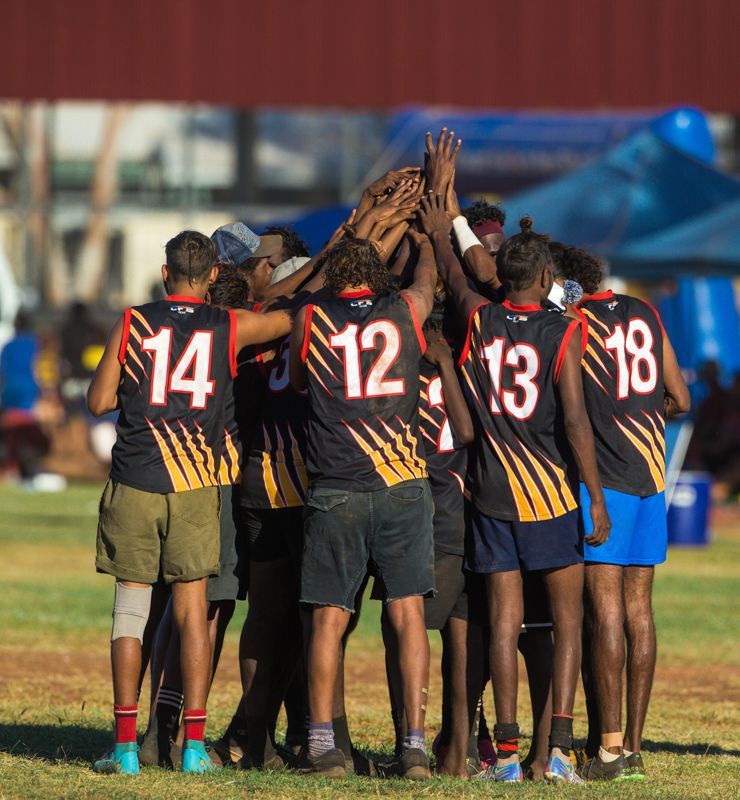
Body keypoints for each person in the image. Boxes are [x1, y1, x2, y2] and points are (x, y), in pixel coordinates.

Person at [87, 230, 294, 776]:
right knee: (191, 614)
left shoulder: (133, 321)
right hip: (198, 486)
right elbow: (286, 316)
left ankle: (127, 748)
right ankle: (196, 748)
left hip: (135, 478)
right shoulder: (227, 324)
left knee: (130, 614)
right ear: (212, 279)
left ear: (164, 273)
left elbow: (98, 400)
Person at [424, 194, 610, 784]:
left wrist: (440, 226)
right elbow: (576, 421)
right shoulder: (566, 330)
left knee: (502, 622)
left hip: (492, 493)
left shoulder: (480, 319)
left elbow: (456, 278)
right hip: (551, 495)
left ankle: (505, 755)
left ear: (505, 278)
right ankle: (554, 751)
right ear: (549, 278)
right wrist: (596, 497)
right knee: (564, 623)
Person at [289, 230, 437, 780]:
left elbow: (302, 379)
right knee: (408, 613)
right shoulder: (404, 308)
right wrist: (426, 240)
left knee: (328, 617)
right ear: (377, 279)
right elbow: (427, 281)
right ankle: (415, 747)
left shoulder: (311, 319)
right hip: (403, 483)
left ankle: (323, 746)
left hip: (336, 485)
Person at [138, 266, 252, 769]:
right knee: (202, 610)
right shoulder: (227, 331)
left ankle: (152, 732)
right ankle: (182, 738)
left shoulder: (160, 326)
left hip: (169, 481)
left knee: (169, 607)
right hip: (213, 484)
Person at [577, 279, 690, 781]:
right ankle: (636, 748)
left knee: (604, 611)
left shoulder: (577, 319)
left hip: (606, 481)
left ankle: (610, 749)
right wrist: (645, 416)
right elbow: (681, 399)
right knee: (639, 609)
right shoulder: (645, 311)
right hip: (651, 474)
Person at [379, 309, 477, 777]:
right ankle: (460, 748)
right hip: (461, 521)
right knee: (460, 639)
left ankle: (412, 744)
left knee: (402, 633)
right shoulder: (466, 373)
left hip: (424, 523)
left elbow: (463, 432)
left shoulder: (401, 377)